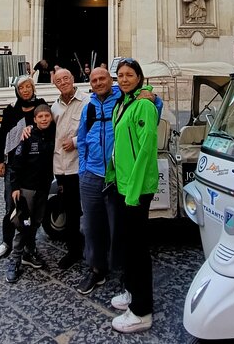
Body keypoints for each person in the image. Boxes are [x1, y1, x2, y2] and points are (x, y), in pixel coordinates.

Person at [76, 67, 162, 295]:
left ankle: (126, 273)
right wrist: (83, 169)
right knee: (92, 226)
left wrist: (154, 96)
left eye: (102, 78)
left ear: (110, 80)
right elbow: (82, 138)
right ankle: (97, 269)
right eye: (94, 80)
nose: (98, 83)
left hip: (118, 176)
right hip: (92, 174)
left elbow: (154, 111)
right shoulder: (89, 107)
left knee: (120, 227)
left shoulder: (125, 99)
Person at [105, 58, 159, 333]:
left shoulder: (144, 106)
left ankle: (142, 311)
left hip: (135, 190)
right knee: (127, 245)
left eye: (129, 75)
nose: (124, 79)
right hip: (123, 186)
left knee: (138, 251)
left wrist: (133, 193)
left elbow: (146, 150)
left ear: (140, 77)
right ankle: (131, 293)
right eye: (120, 75)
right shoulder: (122, 103)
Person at [0, 76, 47, 259]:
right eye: (21, 87)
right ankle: (6, 241)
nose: (25, 90)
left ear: (33, 88)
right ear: (17, 90)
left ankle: (29, 244)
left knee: (33, 208)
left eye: (28, 86)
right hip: (13, 165)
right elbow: (2, 135)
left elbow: (49, 127)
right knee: (11, 205)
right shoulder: (11, 109)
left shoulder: (41, 105)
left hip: (34, 166)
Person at [5, 104, 56, 283]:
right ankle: (14, 260)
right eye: (40, 116)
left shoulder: (52, 135)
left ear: (51, 118)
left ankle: (30, 252)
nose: (43, 119)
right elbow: (16, 164)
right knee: (22, 225)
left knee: (36, 223)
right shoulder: (27, 137)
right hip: (26, 189)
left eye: (46, 116)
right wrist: (15, 187)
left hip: (43, 188)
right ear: (34, 120)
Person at [51, 68, 89, 269]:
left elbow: (93, 129)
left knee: (90, 209)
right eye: (59, 80)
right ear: (55, 84)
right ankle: (74, 249)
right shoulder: (54, 107)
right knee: (69, 210)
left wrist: (75, 141)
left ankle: (92, 249)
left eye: (66, 78)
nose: (63, 82)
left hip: (80, 165)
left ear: (74, 78)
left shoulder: (87, 101)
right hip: (61, 166)